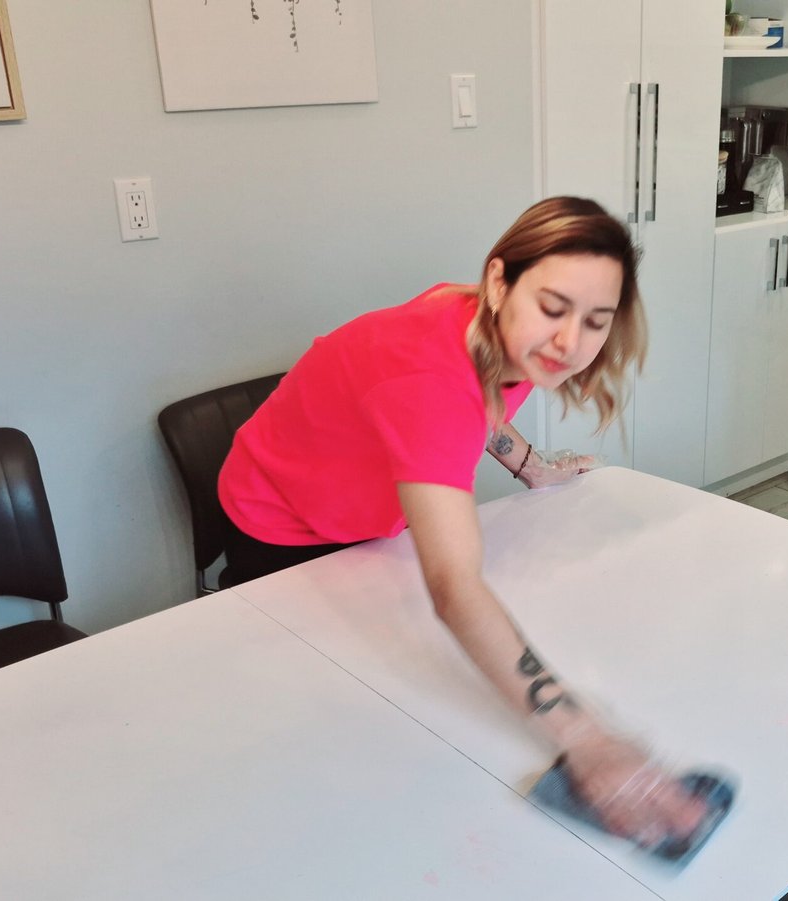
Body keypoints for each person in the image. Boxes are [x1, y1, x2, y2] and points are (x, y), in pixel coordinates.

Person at [217, 196, 706, 848]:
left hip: (361, 522)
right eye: (553, 309)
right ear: (500, 281)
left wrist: (531, 464)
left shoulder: (481, 322)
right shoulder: (429, 373)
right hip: (280, 522)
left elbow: (478, 400)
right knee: (338, 732)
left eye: (596, 321)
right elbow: (454, 585)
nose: (569, 343)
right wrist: (585, 734)